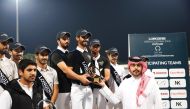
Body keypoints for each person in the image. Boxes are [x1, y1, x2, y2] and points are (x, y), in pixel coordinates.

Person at [98, 56, 162, 109]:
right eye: (133, 65)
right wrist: (103, 86)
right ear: (129, 67)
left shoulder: (151, 82)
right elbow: (115, 100)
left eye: (138, 65)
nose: (136, 68)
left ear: (142, 67)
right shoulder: (125, 83)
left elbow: (158, 104)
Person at [50, 31, 90, 109]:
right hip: (61, 91)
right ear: (58, 41)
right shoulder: (56, 54)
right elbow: (66, 70)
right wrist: (80, 78)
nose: (67, 41)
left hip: (72, 89)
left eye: (68, 39)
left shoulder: (69, 54)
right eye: (64, 39)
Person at [67, 29, 93, 109]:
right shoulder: (72, 54)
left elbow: (91, 73)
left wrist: (99, 81)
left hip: (88, 88)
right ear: (77, 38)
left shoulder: (90, 55)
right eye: (83, 37)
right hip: (77, 88)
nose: (86, 39)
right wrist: (80, 78)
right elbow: (68, 73)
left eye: (87, 37)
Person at [89, 39, 110, 109]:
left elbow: (107, 77)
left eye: (97, 46)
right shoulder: (87, 60)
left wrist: (99, 82)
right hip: (90, 89)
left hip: (102, 89)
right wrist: (99, 81)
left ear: (100, 47)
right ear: (90, 47)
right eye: (94, 46)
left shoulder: (105, 60)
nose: (95, 48)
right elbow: (88, 75)